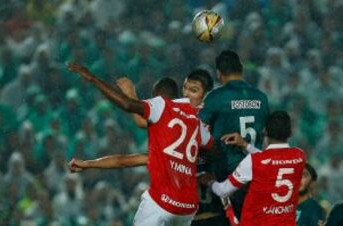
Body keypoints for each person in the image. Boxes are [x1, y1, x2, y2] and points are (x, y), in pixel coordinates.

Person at [68, 63, 214, 226]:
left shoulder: (163, 106)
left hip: (161, 204)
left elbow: (131, 108)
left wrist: (94, 79)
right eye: (185, 88)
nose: (186, 94)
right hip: (188, 208)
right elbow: (126, 159)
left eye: (193, 90)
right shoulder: (199, 126)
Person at [195, 50, 270, 225]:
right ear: (241, 68)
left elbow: (197, 129)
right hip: (255, 174)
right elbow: (267, 136)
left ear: (219, 73)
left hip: (227, 174)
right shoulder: (262, 98)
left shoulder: (216, 97)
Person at [202, 111, 306, 226]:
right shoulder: (299, 156)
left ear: (265, 131)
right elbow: (273, 159)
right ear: (290, 133)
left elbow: (223, 191)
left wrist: (209, 181)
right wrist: (246, 145)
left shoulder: (254, 161)